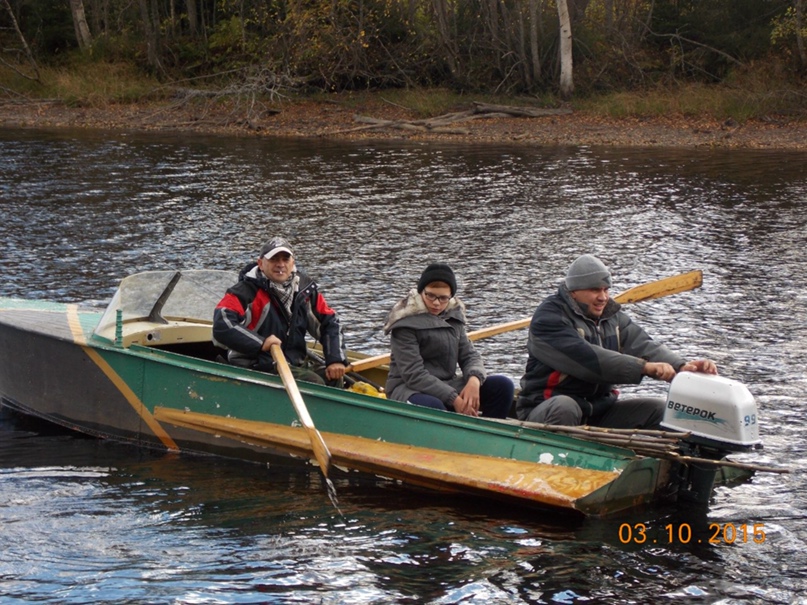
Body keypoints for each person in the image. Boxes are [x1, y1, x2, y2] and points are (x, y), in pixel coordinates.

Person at [516, 254, 717, 429]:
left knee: (659, 410)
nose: (603, 297)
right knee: (565, 406)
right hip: (546, 408)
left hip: (599, 410)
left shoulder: (611, 316)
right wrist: (643, 368)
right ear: (574, 291)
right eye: (595, 290)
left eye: (606, 290)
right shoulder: (549, 319)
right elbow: (590, 360)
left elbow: (642, 344)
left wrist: (681, 366)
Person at [383, 263, 514, 418]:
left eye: (443, 298)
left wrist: (474, 379)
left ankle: (490, 435)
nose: (437, 303)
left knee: (502, 386)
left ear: (451, 297)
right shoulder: (404, 324)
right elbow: (414, 375)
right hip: (408, 388)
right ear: (421, 292)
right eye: (430, 295)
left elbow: (470, 356)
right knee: (434, 407)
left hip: (447, 385)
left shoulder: (453, 319)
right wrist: (454, 398)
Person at [213, 236, 347, 385]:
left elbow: (330, 322)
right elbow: (222, 323)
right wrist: (261, 343)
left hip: (292, 362)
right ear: (261, 264)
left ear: (292, 263)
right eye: (274, 260)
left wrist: (335, 359)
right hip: (255, 364)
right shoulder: (244, 291)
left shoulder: (304, 291)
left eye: (285, 259)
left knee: (334, 378)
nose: (280, 265)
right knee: (314, 382)